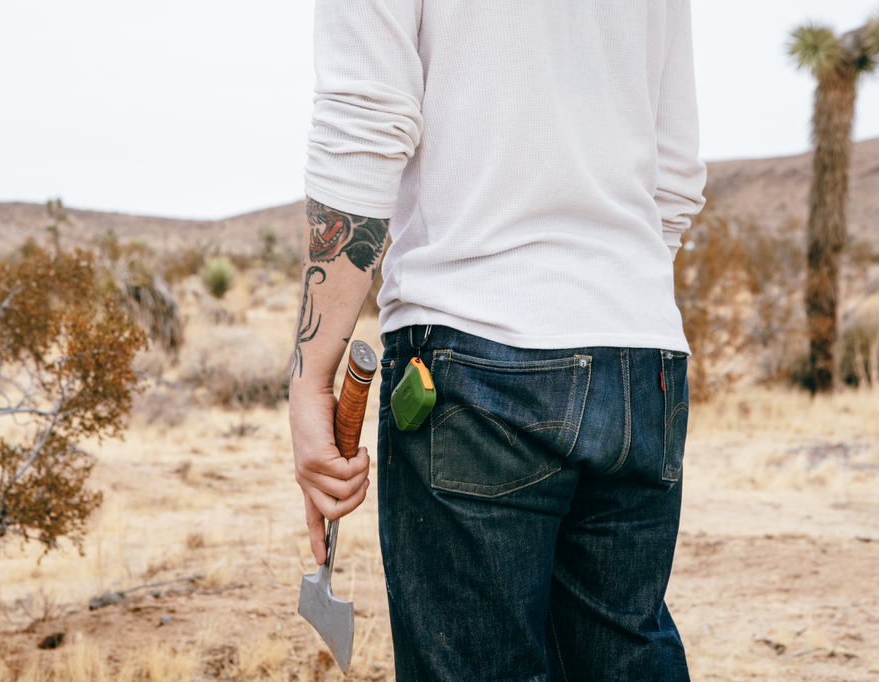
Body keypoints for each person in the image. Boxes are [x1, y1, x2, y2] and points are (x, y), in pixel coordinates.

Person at [288, 0, 707, 679]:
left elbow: (364, 121)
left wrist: (311, 381)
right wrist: (610, 299)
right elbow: (677, 172)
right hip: (641, 358)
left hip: (474, 352)